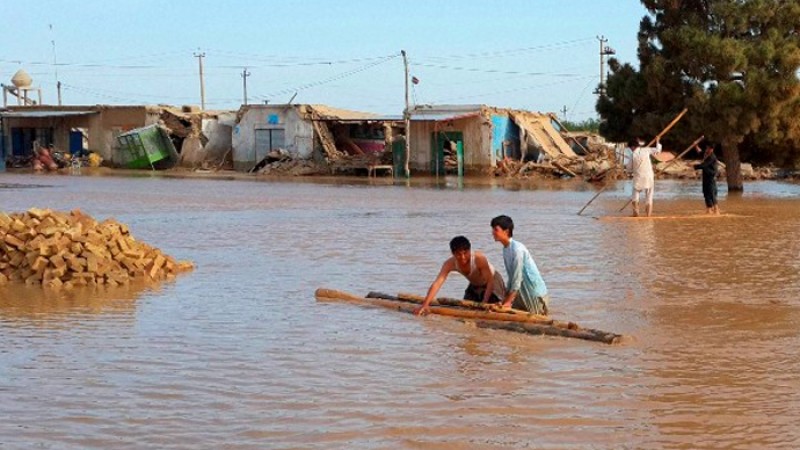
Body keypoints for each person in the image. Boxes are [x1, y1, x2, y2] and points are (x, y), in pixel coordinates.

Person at [413, 236, 506, 316]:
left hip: (493, 280)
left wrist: (484, 303)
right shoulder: (450, 263)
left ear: (470, 250)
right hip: (475, 283)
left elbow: (490, 282)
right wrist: (425, 305)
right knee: (467, 308)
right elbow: (437, 284)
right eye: (458, 254)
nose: (462, 257)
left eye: (465, 253)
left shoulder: (479, 258)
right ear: (453, 253)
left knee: (494, 307)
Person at [490, 215, 549, 315]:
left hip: (533, 294)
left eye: (496, 229)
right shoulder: (506, 249)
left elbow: (517, 278)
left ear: (506, 231)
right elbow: (511, 278)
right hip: (521, 293)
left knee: (533, 321)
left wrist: (508, 302)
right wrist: (505, 299)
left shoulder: (517, 250)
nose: (492, 232)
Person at [627, 137, 662, 217]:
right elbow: (658, 150)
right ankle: (648, 216)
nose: (631, 149)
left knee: (635, 195)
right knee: (649, 196)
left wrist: (630, 172)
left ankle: (636, 213)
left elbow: (629, 169)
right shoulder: (646, 150)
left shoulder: (632, 155)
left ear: (633, 147)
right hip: (649, 177)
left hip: (638, 177)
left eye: (630, 148)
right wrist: (658, 141)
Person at [693, 142, 720, 214]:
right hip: (705, 176)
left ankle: (716, 209)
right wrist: (696, 146)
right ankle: (709, 209)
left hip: (711, 176)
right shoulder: (706, 154)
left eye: (708, 148)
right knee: (705, 192)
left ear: (711, 149)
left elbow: (704, 165)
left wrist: (693, 166)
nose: (706, 149)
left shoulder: (712, 157)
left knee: (711, 193)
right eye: (706, 148)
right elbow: (700, 152)